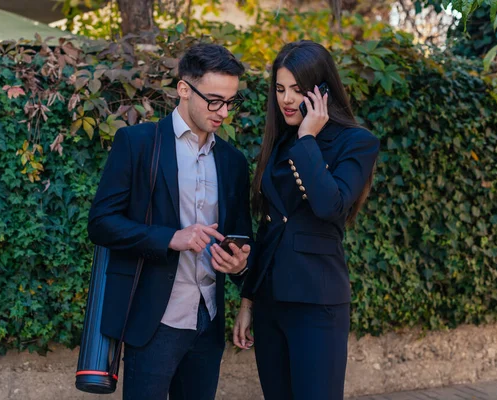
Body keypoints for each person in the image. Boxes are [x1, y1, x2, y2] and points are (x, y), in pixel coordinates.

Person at [87, 43, 253, 400]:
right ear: (183, 88)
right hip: (153, 318)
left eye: (230, 102)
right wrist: (170, 238)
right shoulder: (137, 142)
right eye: (213, 100)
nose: (223, 111)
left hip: (207, 320)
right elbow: (100, 223)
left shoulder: (233, 161)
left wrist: (240, 263)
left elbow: (242, 238)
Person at [233, 40, 380, 400]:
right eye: (280, 89)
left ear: (321, 91)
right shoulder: (280, 142)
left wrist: (308, 138)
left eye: (297, 90)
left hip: (318, 302)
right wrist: (248, 301)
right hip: (271, 302)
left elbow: (333, 206)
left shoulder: (356, 142)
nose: (285, 99)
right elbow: (269, 228)